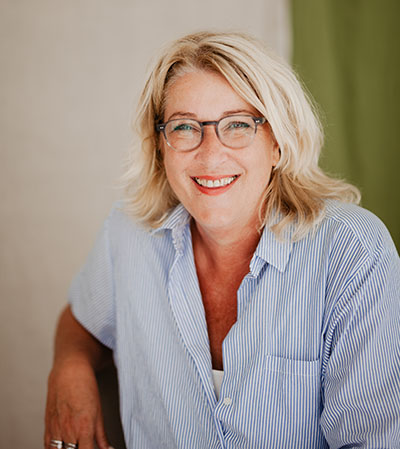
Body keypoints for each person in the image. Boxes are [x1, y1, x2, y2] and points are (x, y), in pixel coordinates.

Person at [45, 31, 400, 449]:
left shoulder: (353, 250)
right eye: (184, 127)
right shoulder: (128, 234)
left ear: (277, 143)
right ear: (160, 146)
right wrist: (69, 368)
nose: (211, 154)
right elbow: (82, 320)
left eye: (237, 125)